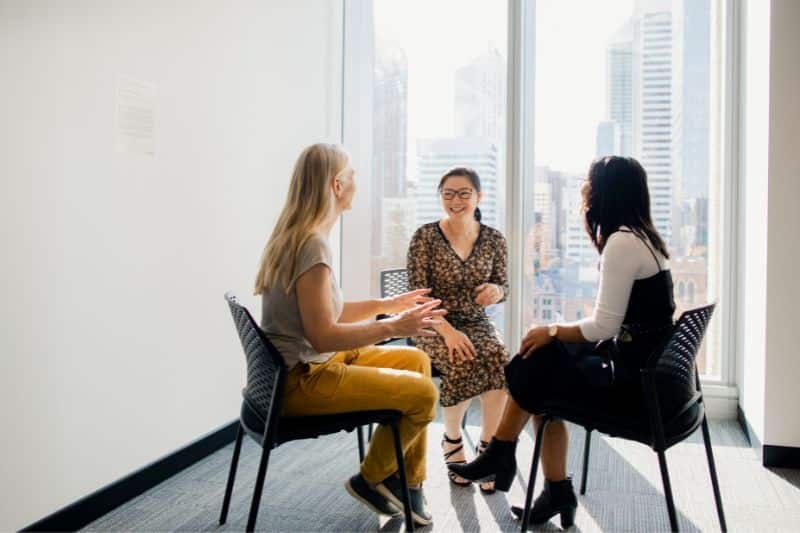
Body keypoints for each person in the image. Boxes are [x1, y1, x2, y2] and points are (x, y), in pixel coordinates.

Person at [449, 156, 676, 528]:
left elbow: (603, 326)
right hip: (646, 373)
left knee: (535, 367)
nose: (584, 191)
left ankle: (506, 457)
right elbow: (615, 324)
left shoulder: (622, 242)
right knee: (539, 363)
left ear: (603, 192)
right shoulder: (646, 239)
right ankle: (529, 473)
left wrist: (552, 331)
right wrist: (553, 335)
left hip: (634, 390)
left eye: (588, 184)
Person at [254, 143, 445, 526]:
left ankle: (409, 483)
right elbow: (324, 335)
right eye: (352, 174)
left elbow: (329, 312)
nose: (357, 182)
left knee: (418, 360)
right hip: (302, 380)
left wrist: (388, 305)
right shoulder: (311, 246)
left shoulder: (299, 236)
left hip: (306, 367)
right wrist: (394, 327)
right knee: (425, 394)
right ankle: (371, 479)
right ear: (336, 185)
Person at [407, 167, 509, 493]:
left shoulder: (493, 239)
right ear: (440, 197)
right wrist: (448, 331)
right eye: (448, 193)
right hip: (432, 322)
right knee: (461, 355)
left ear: (479, 196)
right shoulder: (424, 237)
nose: (456, 200)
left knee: (498, 357)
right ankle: (452, 442)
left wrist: (496, 291)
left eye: (464, 193)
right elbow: (418, 298)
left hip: (475, 320)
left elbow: (503, 285)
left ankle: (488, 449)